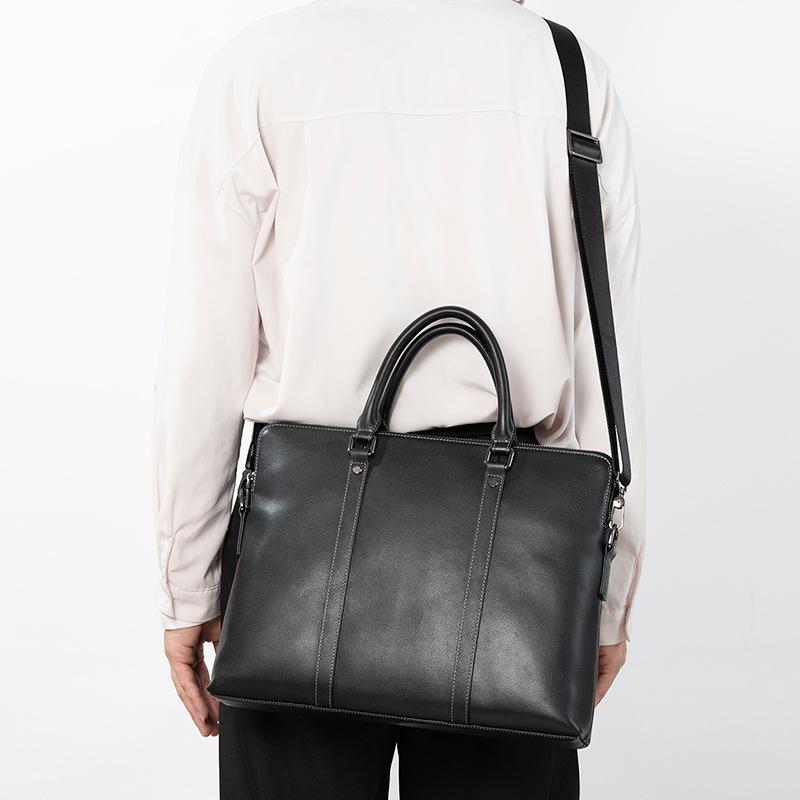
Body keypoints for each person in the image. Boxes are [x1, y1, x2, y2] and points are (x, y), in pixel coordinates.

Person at [153, 0, 646, 797]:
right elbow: (604, 368)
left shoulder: (261, 64)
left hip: (299, 539)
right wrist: (609, 598)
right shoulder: (564, 70)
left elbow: (203, 360)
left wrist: (188, 584)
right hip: (517, 551)